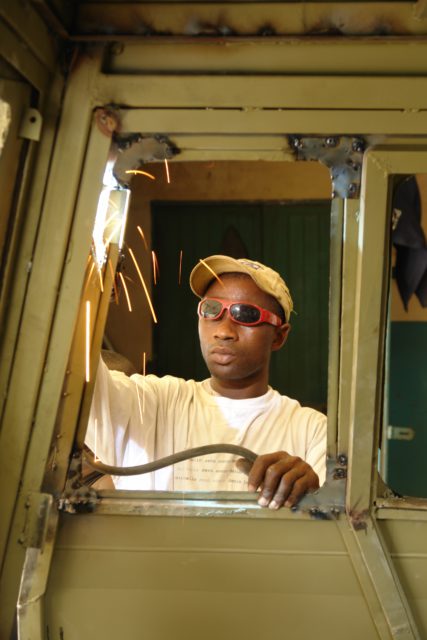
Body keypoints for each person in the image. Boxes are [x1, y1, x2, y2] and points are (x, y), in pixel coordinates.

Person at [86, 255, 327, 509]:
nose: (223, 331)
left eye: (245, 314)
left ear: (279, 336)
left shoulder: (311, 431)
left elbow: (334, 524)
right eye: (211, 310)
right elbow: (77, 373)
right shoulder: (152, 405)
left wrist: (311, 494)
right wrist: (88, 288)